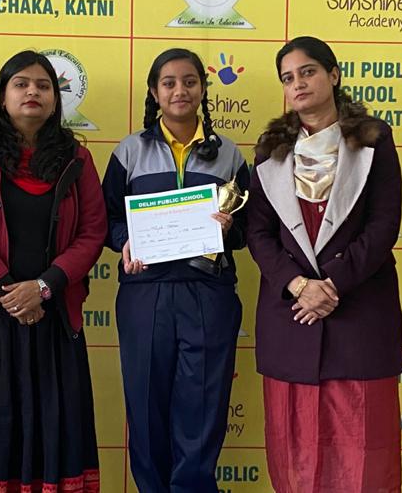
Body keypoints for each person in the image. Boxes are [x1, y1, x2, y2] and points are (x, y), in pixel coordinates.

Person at [0, 51, 105, 493]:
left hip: (54, 318)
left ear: (55, 99)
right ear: (3, 96)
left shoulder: (77, 158)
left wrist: (43, 288)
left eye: (44, 86)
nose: (33, 92)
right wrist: (10, 292)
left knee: (53, 432)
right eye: (21, 84)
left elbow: (92, 232)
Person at [246, 36, 402, 493]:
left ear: (333, 75)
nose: (298, 83)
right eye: (288, 78)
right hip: (291, 317)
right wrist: (298, 285)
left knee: (365, 456)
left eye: (308, 71)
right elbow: (258, 233)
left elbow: (384, 224)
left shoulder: (373, 140)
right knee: (295, 457)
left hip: (358, 314)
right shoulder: (270, 150)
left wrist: (330, 284)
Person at [102, 48, 249, 493]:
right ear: (154, 92)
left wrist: (229, 228)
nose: (179, 90)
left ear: (203, 89)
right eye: (168, 83)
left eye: (189, 81)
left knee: (203, 407)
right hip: (145, 293)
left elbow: (248, 230)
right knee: (146, 404)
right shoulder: (130, 151)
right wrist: (124, 240)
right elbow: (105, 220)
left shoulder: (229, 154)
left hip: (208, 292)